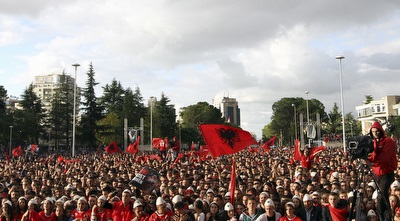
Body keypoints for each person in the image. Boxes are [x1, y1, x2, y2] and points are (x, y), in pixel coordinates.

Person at [368, 121, 398, 221]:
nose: (375, 133)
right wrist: (367, 160)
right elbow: (373, 157)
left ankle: (384, 218)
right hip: (378, 174)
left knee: (382, 198)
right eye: (373, 131)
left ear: (380, 131)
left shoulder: (388, 141)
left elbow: (384, 157)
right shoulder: (375, 143)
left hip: (386, 173)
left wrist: (371, 163)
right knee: (381, 197)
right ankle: (384, 217)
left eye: (377, 131)